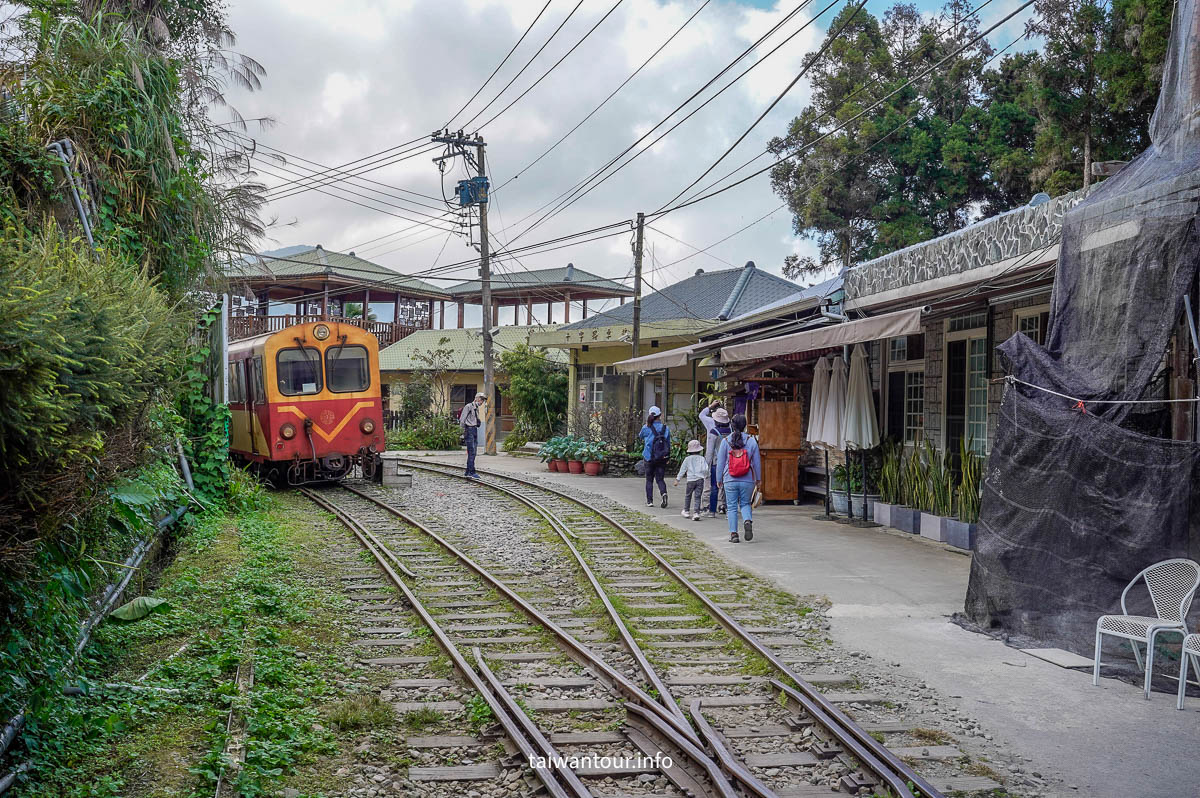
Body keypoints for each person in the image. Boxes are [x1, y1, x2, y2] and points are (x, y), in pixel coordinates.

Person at [716, 413, 761, 543]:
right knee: (746, 503)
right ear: (745, 426)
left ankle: (734, 534)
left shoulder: (726, 442)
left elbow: (720, 462)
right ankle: (747, 520)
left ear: (732, 425)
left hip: (729, 479)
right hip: (747, 480)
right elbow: (757, 462)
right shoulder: (751, 441)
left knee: (731, 507)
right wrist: (758, 479)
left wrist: (719, 479)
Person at [702, 404, 732, 518]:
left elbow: (709, 452)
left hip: (715, 462)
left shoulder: (714, 432)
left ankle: (711, 510)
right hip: (728, 462)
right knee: (724, 485)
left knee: (713, 486)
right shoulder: (730, 431)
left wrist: (706, 466)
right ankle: (723, 506)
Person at [639, 406, 671, 508]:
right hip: (661, 457)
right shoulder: (665, 428)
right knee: (660, 479)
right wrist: (668, 457)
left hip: (649, 457)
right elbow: (668, 443)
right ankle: (664, 493)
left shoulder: (646, 427)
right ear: (660, 415)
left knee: (649, 480)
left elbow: (640, 436)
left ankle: (650, 501)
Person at [673, 439, 708, 520]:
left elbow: (683, 470)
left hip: (690, 480)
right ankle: (696, 513)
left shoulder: (687, 459)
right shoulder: (702, 458)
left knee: (688, 496)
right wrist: (706, 476)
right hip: (700, 479)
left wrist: (677, 479)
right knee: (698, 496)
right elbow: (706, 469)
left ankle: (686, 511)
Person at [459, 392, 486, 478]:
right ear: (477, 398)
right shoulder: (469, 406)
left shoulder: (476, 408)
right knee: (472, 451)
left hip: (474, 429)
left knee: (473, 452)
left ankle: (468, 471)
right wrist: (462, 432)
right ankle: (471, 471)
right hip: (469, 429)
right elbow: (462, 419)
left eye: (483, 400)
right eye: (481, 400)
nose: (482, 402)